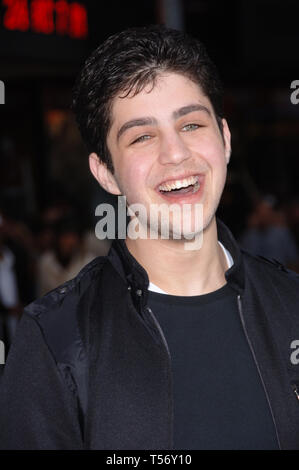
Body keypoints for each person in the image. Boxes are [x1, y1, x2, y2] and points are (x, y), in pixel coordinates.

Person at [1, 25, 299, 450]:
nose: (175, 153)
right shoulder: (56, 341)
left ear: (225, 139)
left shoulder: (291, 307)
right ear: (106, 172)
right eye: (142, 136)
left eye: (192, 124)